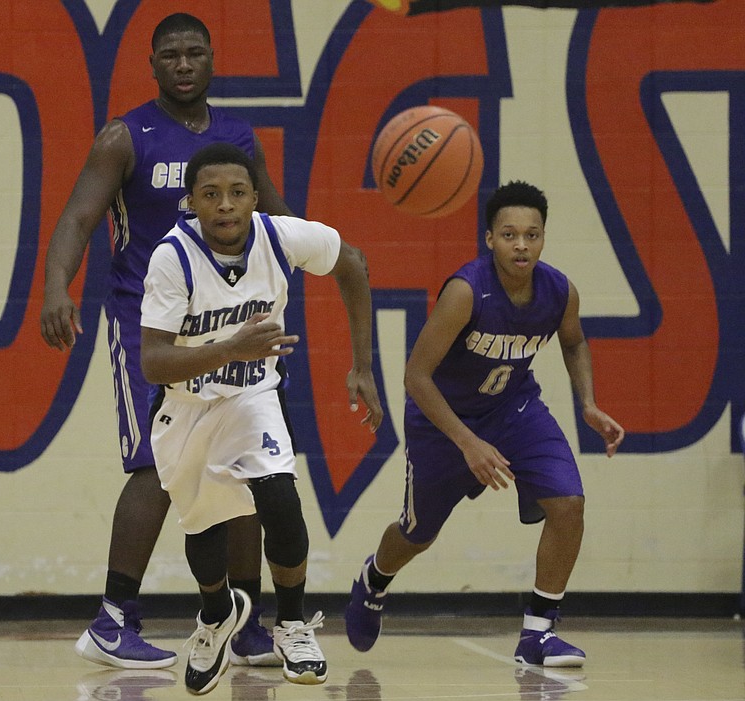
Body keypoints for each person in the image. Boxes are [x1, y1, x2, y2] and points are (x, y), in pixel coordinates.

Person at [40, 13, 293, 669]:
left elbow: (275, 219)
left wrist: (328, 252)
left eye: (195, 53)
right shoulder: (126, 137)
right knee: (155, 462)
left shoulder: (238, 139)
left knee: (244, 461)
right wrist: (55, 286)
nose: (184, 65)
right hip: (145, 322)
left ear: (212, 60)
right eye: (172, 55)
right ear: (153, 65)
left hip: (228, 328)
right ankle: (113, 618)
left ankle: (244, 622)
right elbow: (77, 216)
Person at [344, 180, 625, 667]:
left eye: (532, 235)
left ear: (543, 239)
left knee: (569, 503)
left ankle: (537, 634)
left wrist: (588, 403)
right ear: (490, 239)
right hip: (443, 420)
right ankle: (374, 580)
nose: (522, 245)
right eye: (510, 235)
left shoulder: (560, 290)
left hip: (514, 409)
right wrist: (467, 442)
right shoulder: (466, 292)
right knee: (418, 534)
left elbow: (574, 341)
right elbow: (416, 376)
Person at [139, 142, 383, 693]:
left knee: (281, 499)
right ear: (192, 203)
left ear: (254, 199)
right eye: (211, 195)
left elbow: (354, 263)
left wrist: (362, 366)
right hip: (186, 404)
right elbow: (153, 361)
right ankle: (214, 616)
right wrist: (230, 348)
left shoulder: (280, 236)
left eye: (236, 193)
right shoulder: (172, 258)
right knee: (202, 528)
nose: (224, 205)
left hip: (254, 397)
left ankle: (292, 624)